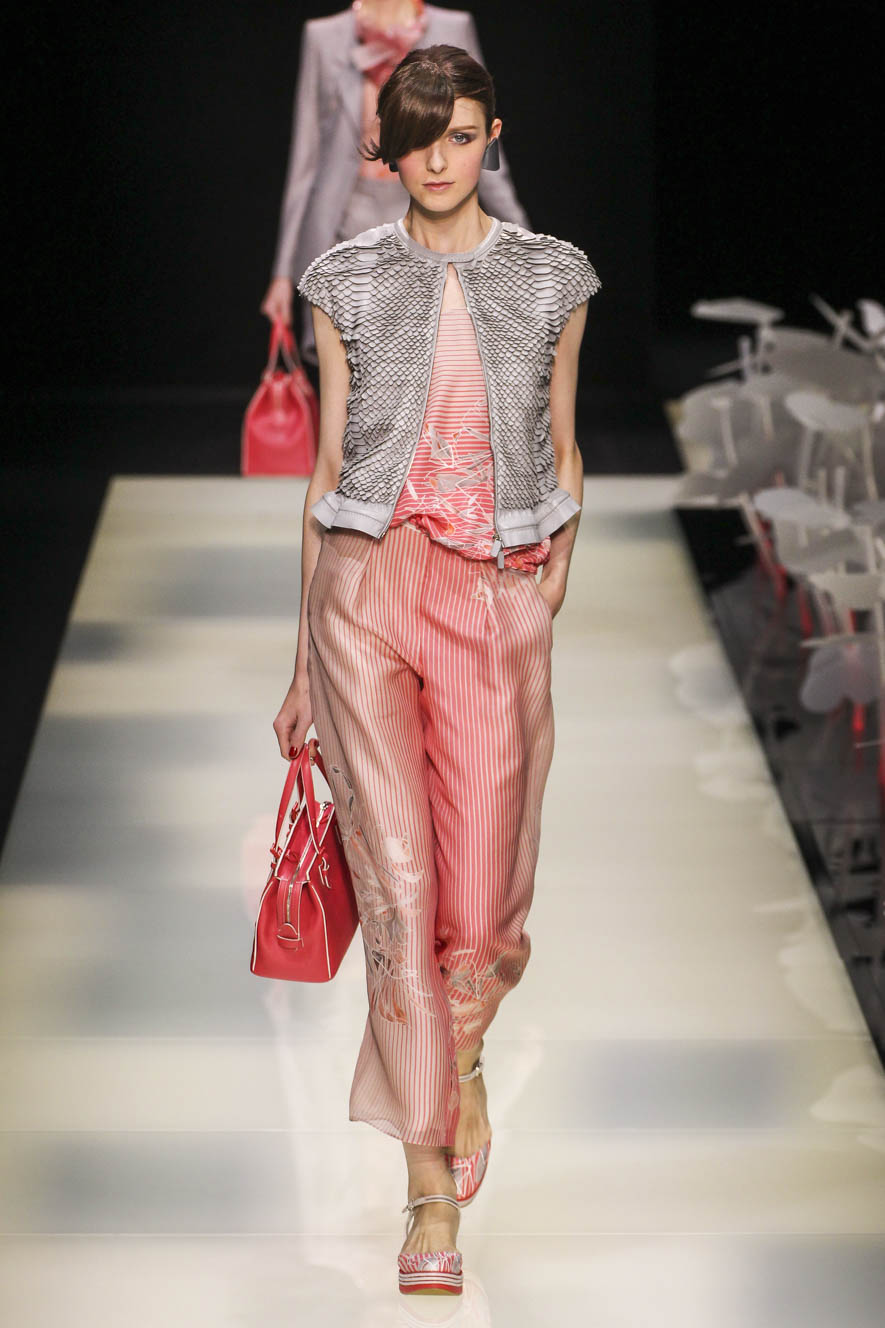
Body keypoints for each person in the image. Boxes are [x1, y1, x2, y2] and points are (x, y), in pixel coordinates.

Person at [272, 43, 600, 1297]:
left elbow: (565, 443)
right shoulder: (345, 279)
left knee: (486, 905)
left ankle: (459, 1059)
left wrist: (550, 583)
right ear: (389, 154)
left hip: (493, 593)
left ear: (491, 137)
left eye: (460, 136)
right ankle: (427, 1189)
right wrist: (302, 661)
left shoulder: (554, 276)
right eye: (418, 142)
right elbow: (325, 476)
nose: (440, 160)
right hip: (365, 595)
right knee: (401, 896)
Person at [260, 1, 530, 367]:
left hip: (428, 215)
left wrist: (524, 240)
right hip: (346, 221)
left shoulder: (453, 27)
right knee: (352, 369)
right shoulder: (323, 36)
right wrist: (282, 274)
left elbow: (480, 137)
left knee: (428, 361)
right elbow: (305, 159)